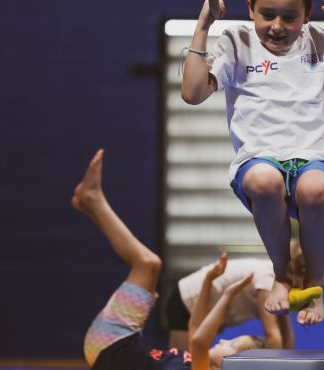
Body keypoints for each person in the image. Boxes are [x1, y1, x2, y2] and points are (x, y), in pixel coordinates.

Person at [181, 0, 324, 325]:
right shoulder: (235, 42)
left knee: (315, 190)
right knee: (264, 182)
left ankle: (313, 283)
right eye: (267, 14)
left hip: (312, 155)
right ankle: (281, 275)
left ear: (308, 13)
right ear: (250, 7)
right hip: (258, 158)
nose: (277, 27)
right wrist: (203, 25)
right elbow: (192, 92)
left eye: (290, 17)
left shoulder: (317, 39)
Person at [74, 149, 264, 370]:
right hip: (116, 346)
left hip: (114, 344)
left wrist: (228, 296)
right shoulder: (197, 362)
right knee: (149, 266)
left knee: (148, 264)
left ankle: (93, 200)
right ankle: (89, 205)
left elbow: (200, 339)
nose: (223, 339)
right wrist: (208, 281)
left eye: (232, 343)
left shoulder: (201, 368)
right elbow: (195, 325)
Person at [165, 243, 324, 351]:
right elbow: (272, 335)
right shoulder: (269, 281)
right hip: (186, 300)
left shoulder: (284, 285)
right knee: (183, 360)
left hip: (209, 307)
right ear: (303, 273)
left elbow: (286, 334)